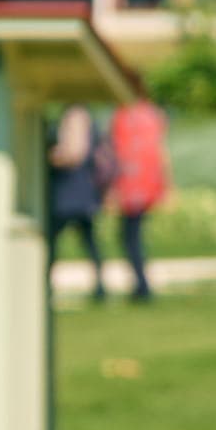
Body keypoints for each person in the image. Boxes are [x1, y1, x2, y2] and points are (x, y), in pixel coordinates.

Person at [109, 85, 172, 304]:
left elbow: (117, 154)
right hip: (147, 185)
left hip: (131, 186)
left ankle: (141, 286)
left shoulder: (124, 115)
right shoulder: (153, 115)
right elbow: (160, 152)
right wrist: (165, 186)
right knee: (133, 237)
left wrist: (113, 189)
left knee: (130, 238)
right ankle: (141, 284)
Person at [46, 103, 107, 302]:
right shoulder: (93, 127)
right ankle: (100, 287)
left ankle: (45, 284)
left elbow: (72, 156)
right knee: (90, 244)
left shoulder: (70, 122)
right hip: (84, 196)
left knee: (53, 244)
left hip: (66, 196)